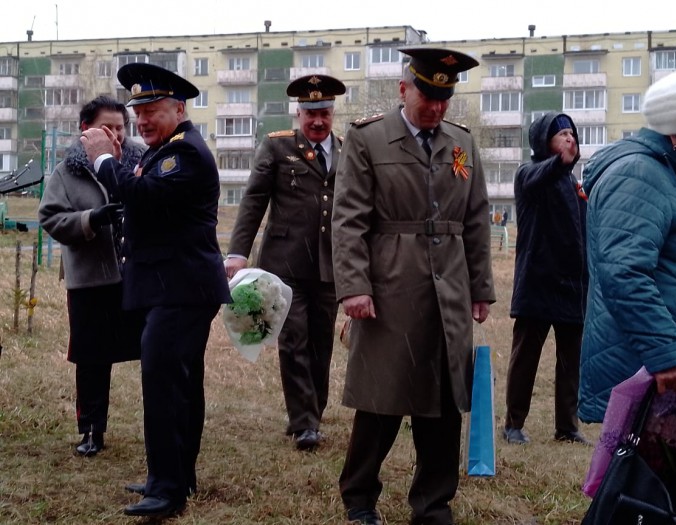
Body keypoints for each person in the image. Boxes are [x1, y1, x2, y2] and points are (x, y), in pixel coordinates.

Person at [332, 47, 495, 525]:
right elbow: (348, 220)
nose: (436, 107)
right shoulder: (367, 138)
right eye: (428, 96)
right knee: (381, 398)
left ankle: (433, 505)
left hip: (449, 289)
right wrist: (354, 286)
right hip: (390, 286)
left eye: (445, 98)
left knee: (444, 402)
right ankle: (359, 499)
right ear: (404, 89)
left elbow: (476, 218)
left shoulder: (461, 143)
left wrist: (480, 287)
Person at [80, 63, 230, 518]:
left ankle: (167, 490)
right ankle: (175, 475)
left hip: (181, 290)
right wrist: (118, 162)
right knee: (180, 386)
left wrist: (103, 159)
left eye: (152, 111)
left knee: (165, 388)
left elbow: (140, 196)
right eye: (139, 113)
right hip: (173, 287)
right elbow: (141, 196)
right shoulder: (162, 150)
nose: (143, 121)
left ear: (179, 109)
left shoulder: (183, 153)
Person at [224, 74, 346, 451]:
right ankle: (304, 421)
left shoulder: (347, 150)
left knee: (321, 343)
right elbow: (253, 201)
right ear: (299, 113)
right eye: (311, 114)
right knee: (293, 341)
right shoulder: (277, 147)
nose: (318, 121)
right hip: (285, 265)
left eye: (324, 113)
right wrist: (238, 252)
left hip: (328, 267)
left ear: (332, 112)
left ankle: (313, 412)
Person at [579, 70, 676, 423]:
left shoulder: (662, 175)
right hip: (650, 371)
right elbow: (624, 272)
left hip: (659, 366)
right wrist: (667, 354)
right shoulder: (639, 174)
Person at [38, 96, 144, 457]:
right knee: (91, 358)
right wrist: (91, 220)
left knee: (154, 351)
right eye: (106, 127)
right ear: (85, 129)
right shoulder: (67, 171)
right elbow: (50, 217)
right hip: (90, 280)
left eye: (120, 127)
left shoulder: (141, 162)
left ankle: (160, 426)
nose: (115, 135)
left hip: (137, 275)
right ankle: (92, 430)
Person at [502, 112, 589, 446]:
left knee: (570, 361)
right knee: (526, 357)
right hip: (537, 282)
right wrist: (559, 164)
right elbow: (542, 174)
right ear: (543, 141)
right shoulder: (529, 173)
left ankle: (567, 426)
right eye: (561, 134)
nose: (570, 138)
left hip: (571, 285)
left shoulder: (574, 184)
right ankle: (513, 424)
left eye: (572, 134)